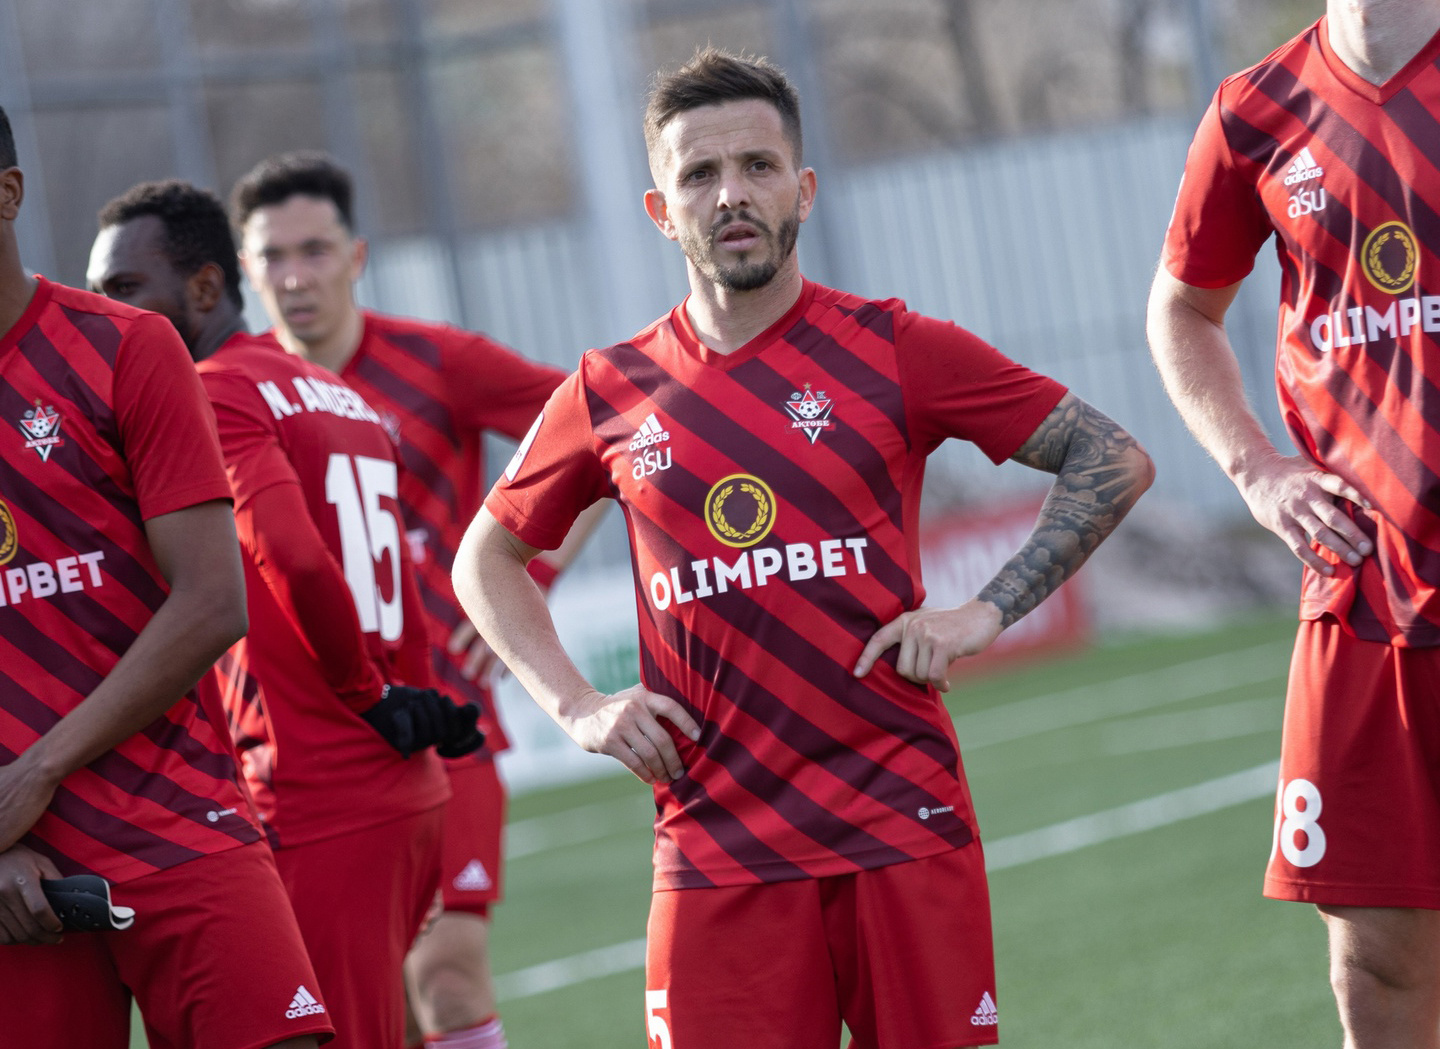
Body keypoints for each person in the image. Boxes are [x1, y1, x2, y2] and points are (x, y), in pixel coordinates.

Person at [454, 48, 1155, 1049]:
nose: (731, 194)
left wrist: (985, 609)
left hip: (899, 821)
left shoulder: (893, 347)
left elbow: (1111, 456)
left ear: (804, 189)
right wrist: (577, 705)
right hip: (714, 845)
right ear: (661, 211)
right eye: (699, 174)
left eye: (758, 165)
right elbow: (485, 560)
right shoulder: (607, 392)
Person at [87, 178, 483, 1049]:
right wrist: (407, 706)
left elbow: (295, 556)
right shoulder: (330, 389)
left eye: (123, 288)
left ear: (203, 287)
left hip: (318, 791)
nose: (103, 313)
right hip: (400, 782)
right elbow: (399, 589)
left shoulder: (213, 390)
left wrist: (369, 695)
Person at [229, 150, 600, 1049]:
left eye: (315, 250)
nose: (294, 275)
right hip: (304, 744)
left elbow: (600, 429)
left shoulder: (437, 359)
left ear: (356, 257)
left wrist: (526, 578)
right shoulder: (237, 390)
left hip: (443, 716)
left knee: (445, 972)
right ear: (243, 270)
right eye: (272, 256)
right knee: (362, 1000)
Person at [0, 116, 332, 1048]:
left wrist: (38, 770)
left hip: (174, 815)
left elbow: (213, 600)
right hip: (12, 868)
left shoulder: (125, 347)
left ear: (8, 194)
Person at [1147, 3, 1440, 1045]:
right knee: (1374, 965)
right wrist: (1255, 470)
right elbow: (1181, 309)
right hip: (1362, 593)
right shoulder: (1255, 109)